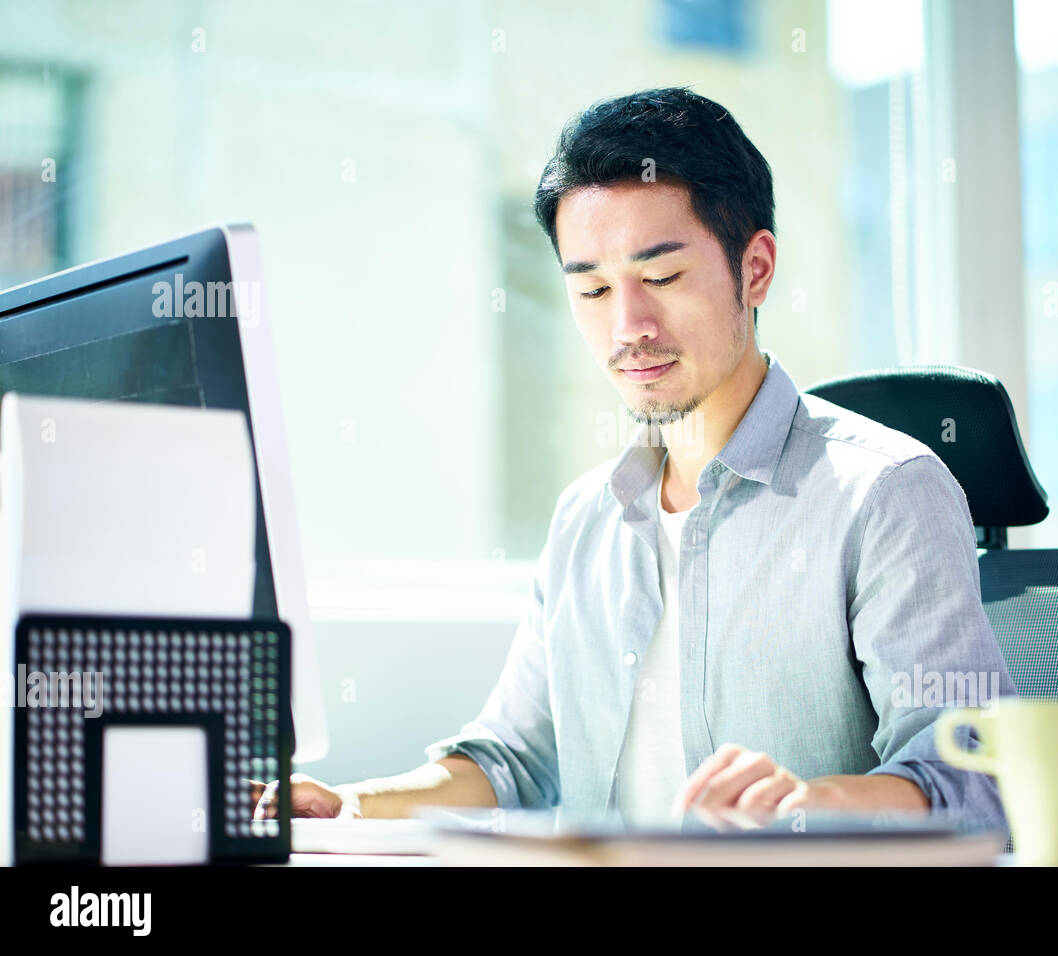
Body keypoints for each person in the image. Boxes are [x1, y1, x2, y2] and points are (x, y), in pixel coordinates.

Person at [253, 86, 1015, 832]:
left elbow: (979, 784)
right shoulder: (588, 516)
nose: (629, 326)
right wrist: (354, 804)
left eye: (660, 277)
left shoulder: (884, 494)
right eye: (591, 289)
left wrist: (810, 808)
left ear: (754, 269)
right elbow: (514, 759)